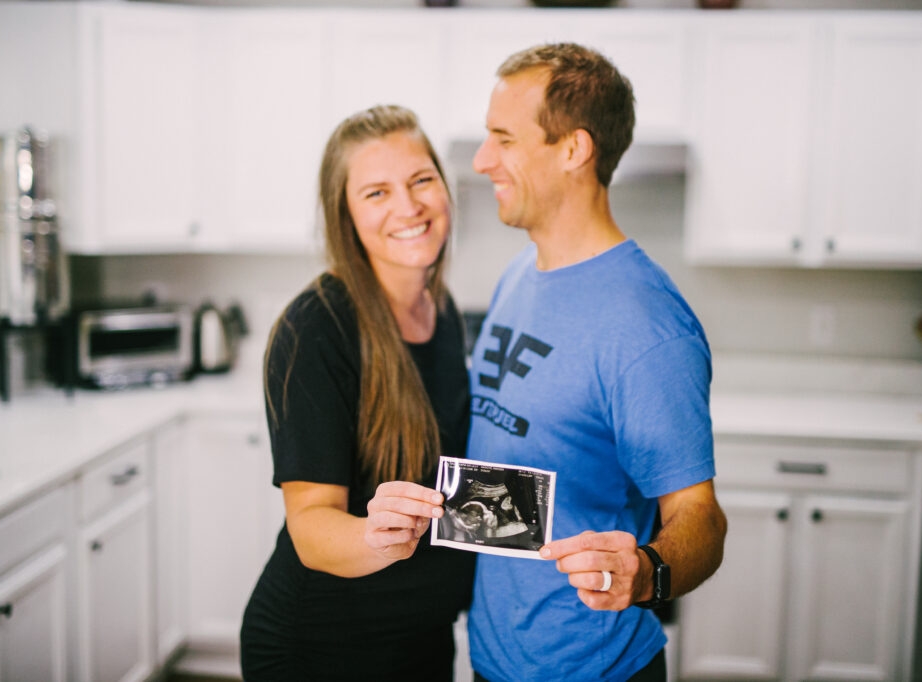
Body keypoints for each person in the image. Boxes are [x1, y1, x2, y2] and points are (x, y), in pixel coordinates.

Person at [465, 43, 728, 682]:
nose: (481, 161)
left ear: (574, 150)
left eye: (503, 138)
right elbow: (534, 480)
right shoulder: (517, 274)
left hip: (593, 666)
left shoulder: (647, 326)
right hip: (493, 658)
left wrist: (647, 573)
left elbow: (701, 520)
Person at [239, 104, 476, 681]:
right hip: (321, 648)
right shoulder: (315, 328)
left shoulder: (440, 311)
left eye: (422, 180)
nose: (408, 206)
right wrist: (376, 534)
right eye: (376, 193)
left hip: (419, 642)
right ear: (344, 214)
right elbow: (312, 528)